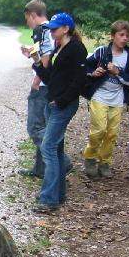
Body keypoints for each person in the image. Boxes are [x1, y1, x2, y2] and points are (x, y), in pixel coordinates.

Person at [32, 13, 87, 212]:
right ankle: (59, 193)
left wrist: (63, 100)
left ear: (66, 28)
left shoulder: (77, 49)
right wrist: (37, 61)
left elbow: (79, 80)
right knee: (55, 148)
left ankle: (48, 199)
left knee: (47, 147)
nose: (52, 31)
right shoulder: (59, 48)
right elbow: (51, 77)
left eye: (55, 28)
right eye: (51, 28)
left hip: (63, 106)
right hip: (53, 103)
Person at [19, 0, 72, 178]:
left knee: (36, 129)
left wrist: (37, 79)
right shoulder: (53, 30)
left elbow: (46, 58)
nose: (28, 23)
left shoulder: (41, 30)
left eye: (28, 19)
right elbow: (44, 53)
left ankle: (62, 162)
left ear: (33, 15)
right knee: (44, 126)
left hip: (44, 85)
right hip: (54, 84)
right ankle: (40, 169)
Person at [83, 20, 129, 178]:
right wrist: (94, 72)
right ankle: (90, 157)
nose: (124, 38)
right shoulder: (102, 52)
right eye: (121, 35)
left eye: (127, 36)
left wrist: (117, 73)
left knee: (112, 133)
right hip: (99, 95)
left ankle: (105, 162)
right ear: (113, 36)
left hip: (118, 99)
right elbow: (85, 66)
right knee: (99, 129)